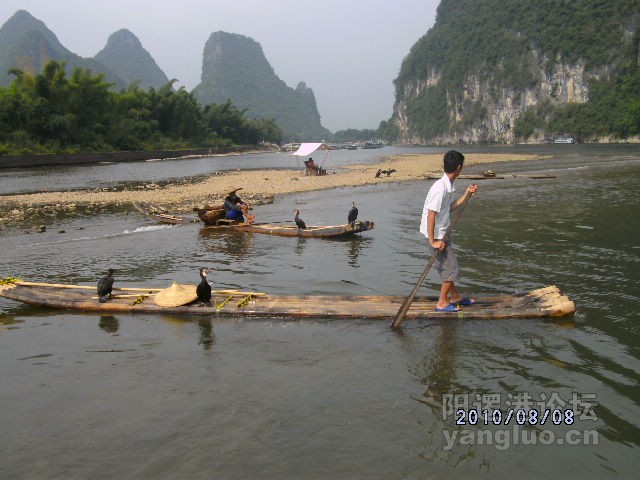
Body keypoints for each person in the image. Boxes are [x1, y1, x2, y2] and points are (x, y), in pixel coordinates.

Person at [419, 150, 478, 312]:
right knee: (452, 269)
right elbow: (431, 214)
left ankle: (456, 297)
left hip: (442, 233)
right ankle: (442, 302)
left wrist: (467, 194)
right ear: (459, 168)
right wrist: (433, 242)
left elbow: (449, 208)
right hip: (435, 236)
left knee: (447, 267)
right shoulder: (440, 188)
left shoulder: (448, 185)